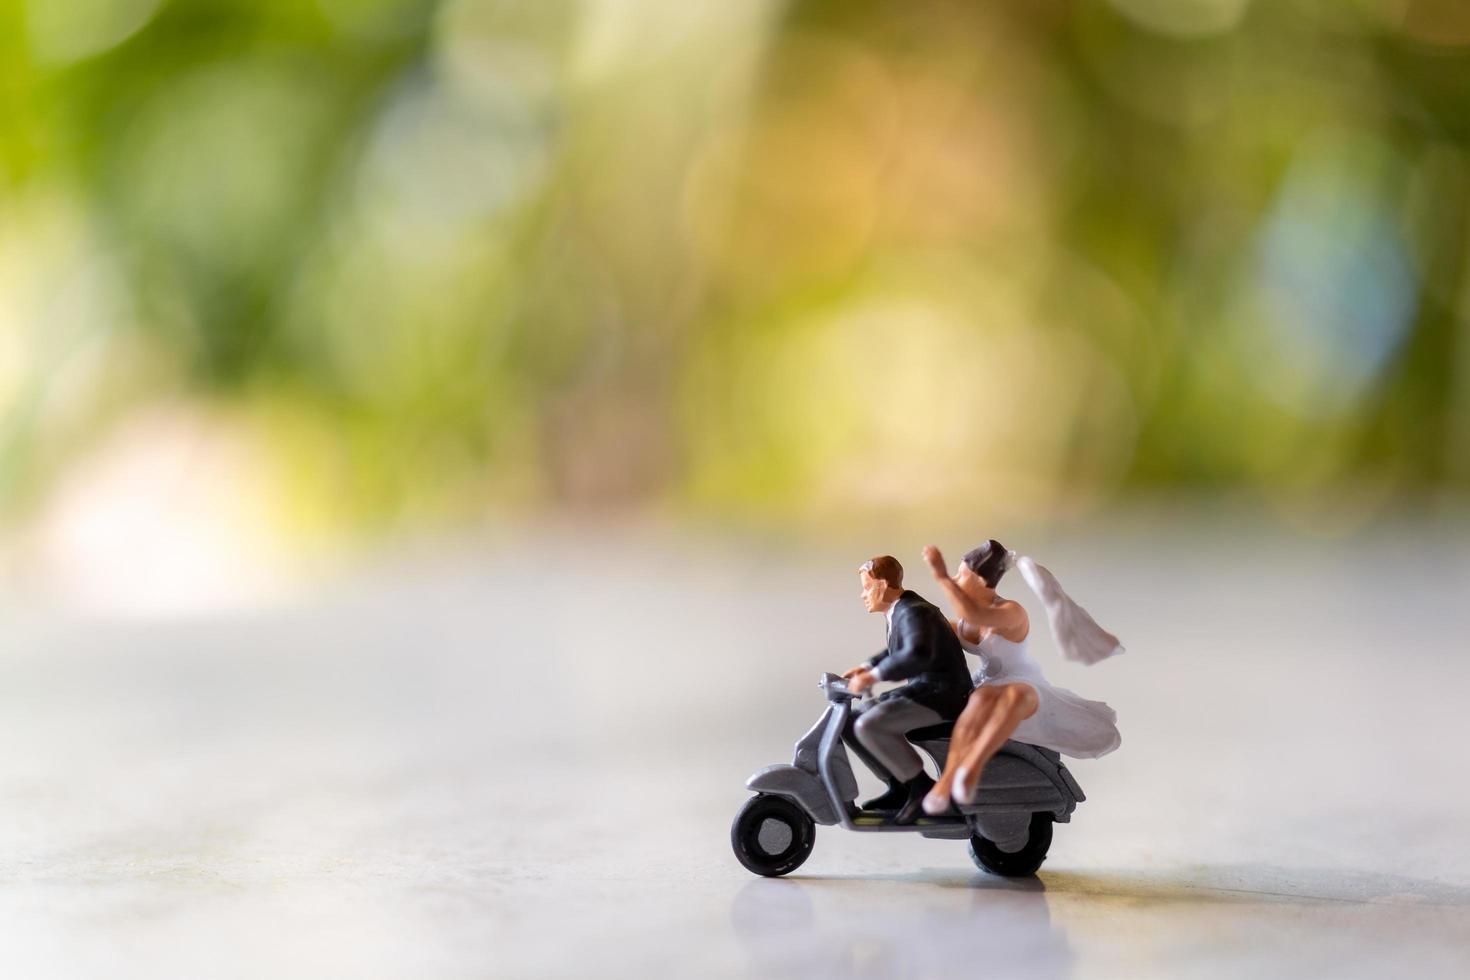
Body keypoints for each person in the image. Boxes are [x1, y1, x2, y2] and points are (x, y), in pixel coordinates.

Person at [918, 540, 1123, 816]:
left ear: (979, 579)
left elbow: (975, 612)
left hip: (1023, 680)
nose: (955, 580)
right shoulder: (963, 623)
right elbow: (936, 629)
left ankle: (972, 769)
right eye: (953, 575)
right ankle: (947, 783)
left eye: (960, 575)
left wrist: (940, 576)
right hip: (990, 682)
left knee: (1017, 696)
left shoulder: (1010, 612)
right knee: (980, 699)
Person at [841, 556, 973, 825]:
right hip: (926, 690)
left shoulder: (914, 611)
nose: (863, 594)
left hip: (942, 696)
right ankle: (900, 786)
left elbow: (916, 654)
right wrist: (866, 667)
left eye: (867, 587)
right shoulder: (899, 610)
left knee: (869, 725)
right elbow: (895, 650)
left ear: (882, 584)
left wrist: (873, 676)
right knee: (851, 721)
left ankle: (922, 788)